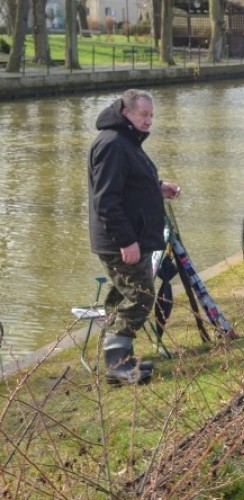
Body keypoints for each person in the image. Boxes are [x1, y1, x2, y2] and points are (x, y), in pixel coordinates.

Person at [87, 89, 180, 385]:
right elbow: (106, 200)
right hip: (120, 241)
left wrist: (157, 187)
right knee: (141, 296)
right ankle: (117, 365)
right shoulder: (113, 144)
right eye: (143, 114)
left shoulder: (126, 141)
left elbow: (128, 182)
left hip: (130, 237)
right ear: (126, 112)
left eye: (151, 115)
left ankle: (119, 362)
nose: (149, 120)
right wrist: (126, 240)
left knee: (122, 296)